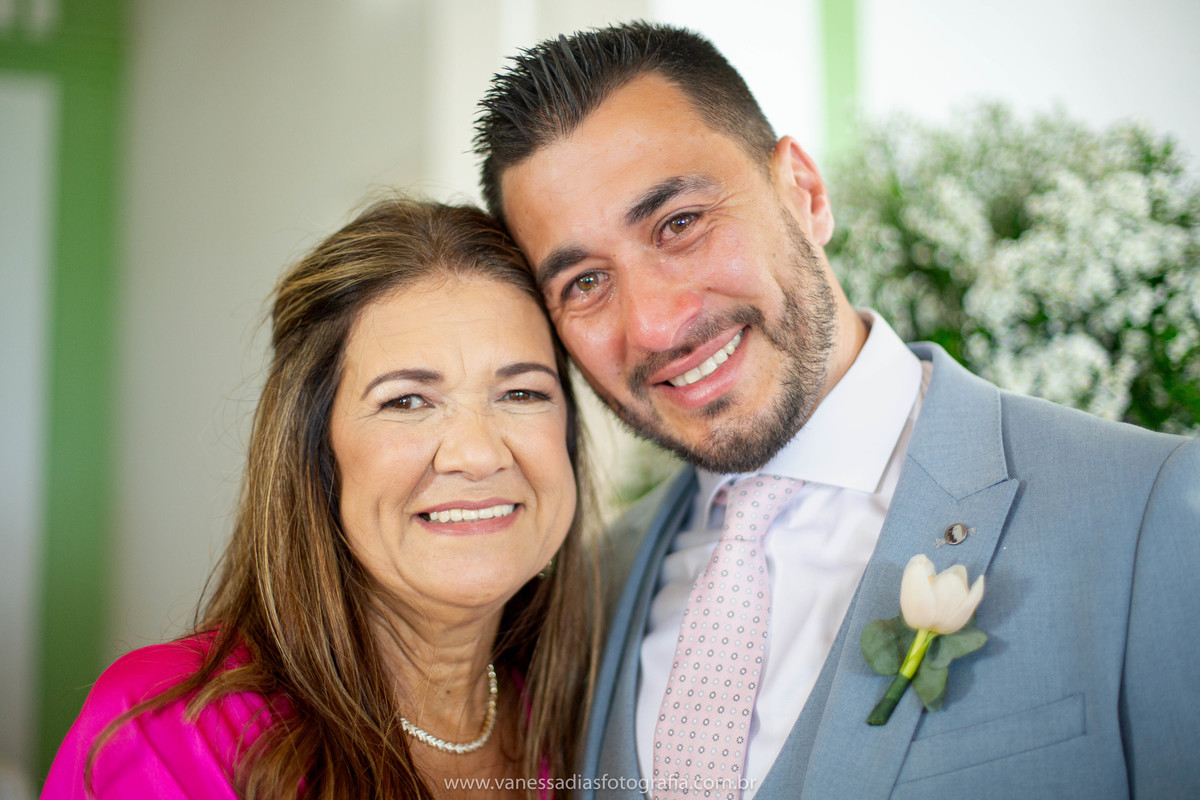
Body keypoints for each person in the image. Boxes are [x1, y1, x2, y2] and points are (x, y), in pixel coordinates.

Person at [473, 21, 1200, 800]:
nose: (652, 324)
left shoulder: (1149, 509)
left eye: (680, 223)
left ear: (805, 193)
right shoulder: (582, 591)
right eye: (583, 282)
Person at [41, 198, 598, 799]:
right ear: (315, 452)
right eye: (407, 401)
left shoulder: (591, 710)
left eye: (520, 393)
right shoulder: (172, 731)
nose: (479, 454)